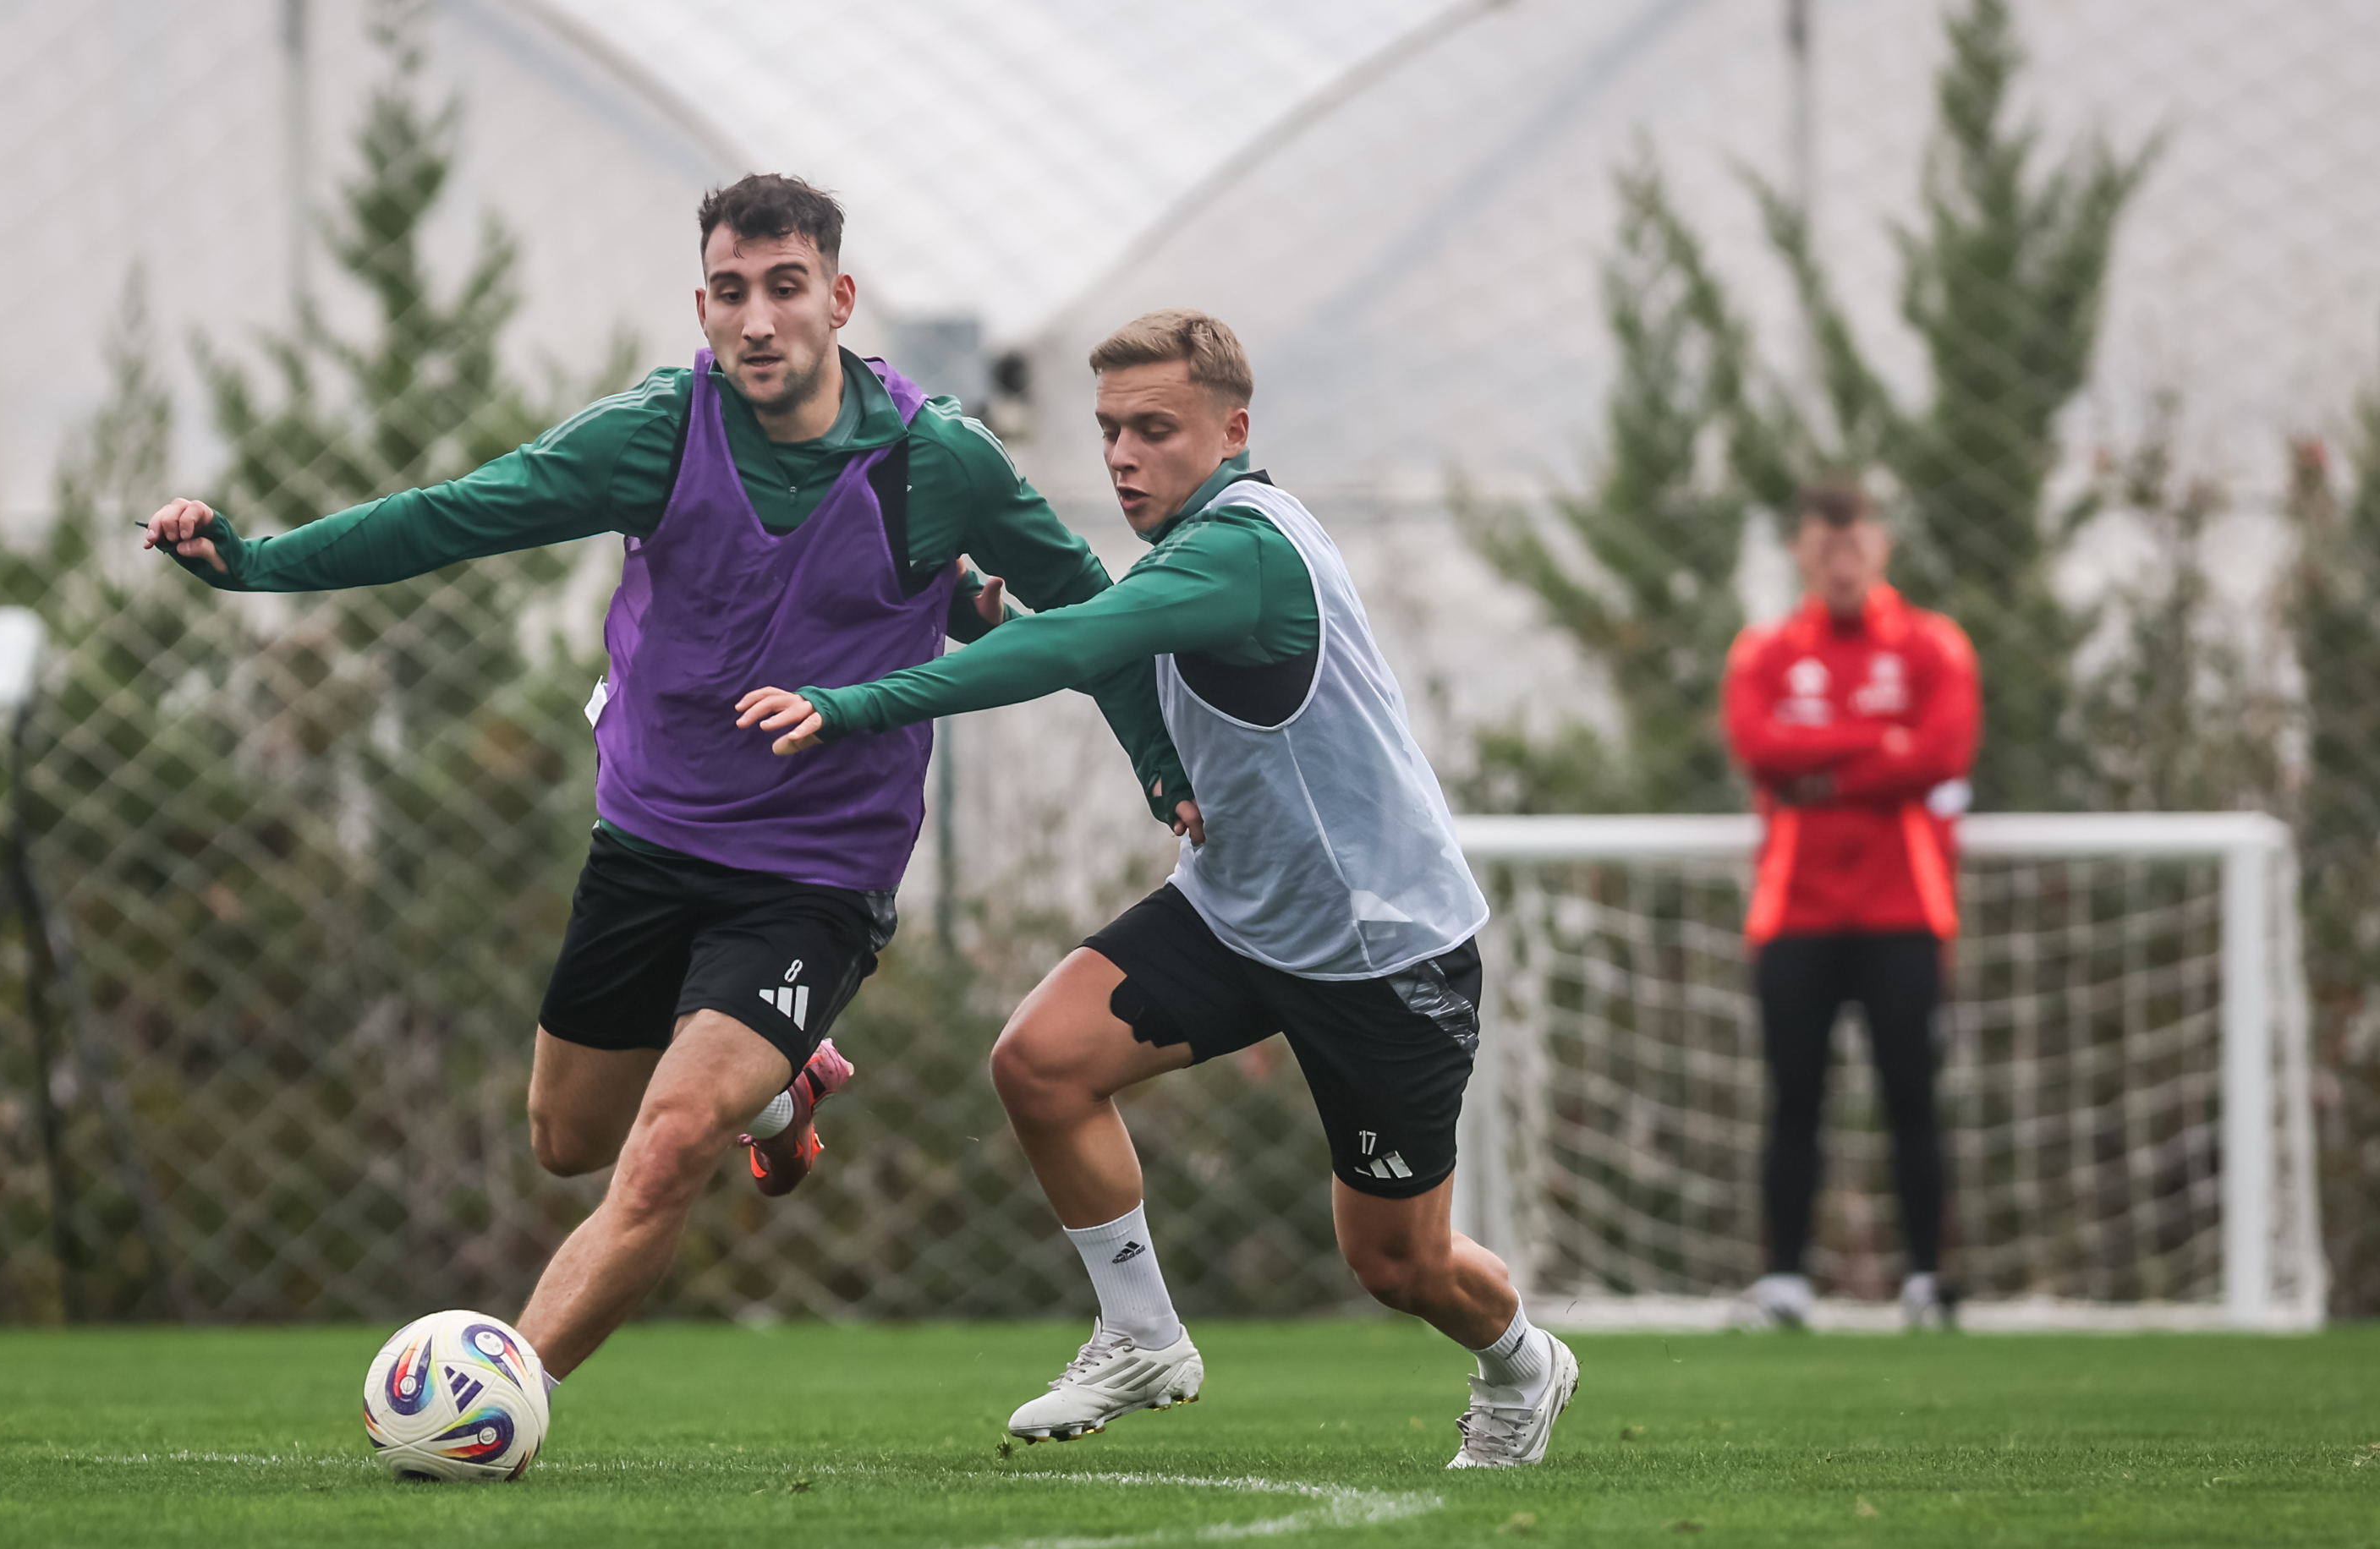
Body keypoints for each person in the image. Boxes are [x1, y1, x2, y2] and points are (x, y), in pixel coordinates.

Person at [140, 174, 1190, 1388]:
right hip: (647, 840)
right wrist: (257, 564)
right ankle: (783, 1092)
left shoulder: (936, 460)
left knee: (667, 1141)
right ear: (703, 309)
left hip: (814, 874)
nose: (758, 319)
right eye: (731, 292)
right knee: (567, 1139)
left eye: (786, 287)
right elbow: (452, 516)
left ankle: (495, 1400)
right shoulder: (655, 434)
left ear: (839, 299)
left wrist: (1158, 762)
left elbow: (1093, 610)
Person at [738, 309, 1580, 1467]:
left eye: (1155, 429)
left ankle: (1524, 1361)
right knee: (1040, 1063)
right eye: (1109, 431)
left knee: (1397, 1265)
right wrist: (986, 612)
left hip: (1379, 949)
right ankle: (1140, 1334)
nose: (1124, 457)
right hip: (1236, 912)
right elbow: (1101, 640)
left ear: (1233, 432)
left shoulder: (1243, 553)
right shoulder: (1191, 549)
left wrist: (851, 704)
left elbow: (1082, 645)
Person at [1719, 480, 1981, 1331]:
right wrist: (1878, 743)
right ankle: (1786, 1282)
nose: (1843, 562)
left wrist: (1820, 770)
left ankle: (1927, 1281)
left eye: (1856, 544)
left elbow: (1941, 753)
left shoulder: (1934, 645)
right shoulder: (1763, 652)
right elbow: (1760, 747)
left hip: (1905, 908)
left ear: (1881, 548)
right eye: (1826, 546)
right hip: (1793, 912)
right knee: (1795, 1095)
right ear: (1800, 550)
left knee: (1912, 1092)